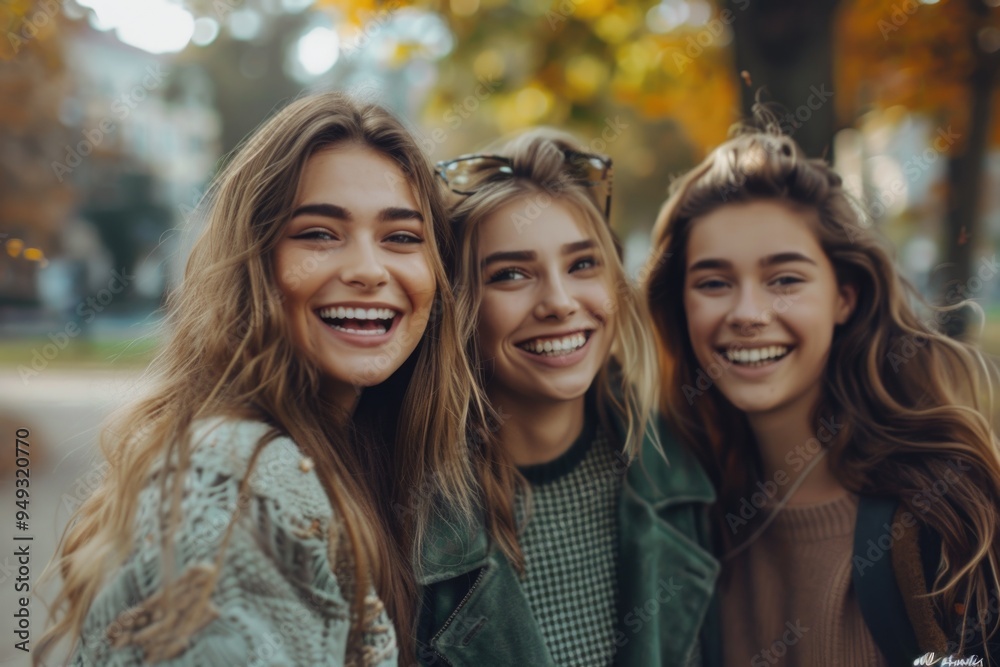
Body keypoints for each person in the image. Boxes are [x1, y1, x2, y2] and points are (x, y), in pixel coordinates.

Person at [36, 91, 483, 667]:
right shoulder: (236, 486)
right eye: (319, 233)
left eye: (400, 237)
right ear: (255, 263)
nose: (370, 270)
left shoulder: (371, 458)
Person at [645, 119, 1000, 666]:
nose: (747, 315)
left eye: (785, 279)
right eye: (713, 283)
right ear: (681, 307)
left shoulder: (953, 512)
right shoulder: (687, 526)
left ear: (845, 298)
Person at [417, 129, 719, 667]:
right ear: (459, 306)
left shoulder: (685, 471)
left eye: (582, 265)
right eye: (511, 274)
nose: (559, 302)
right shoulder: (412, 518)